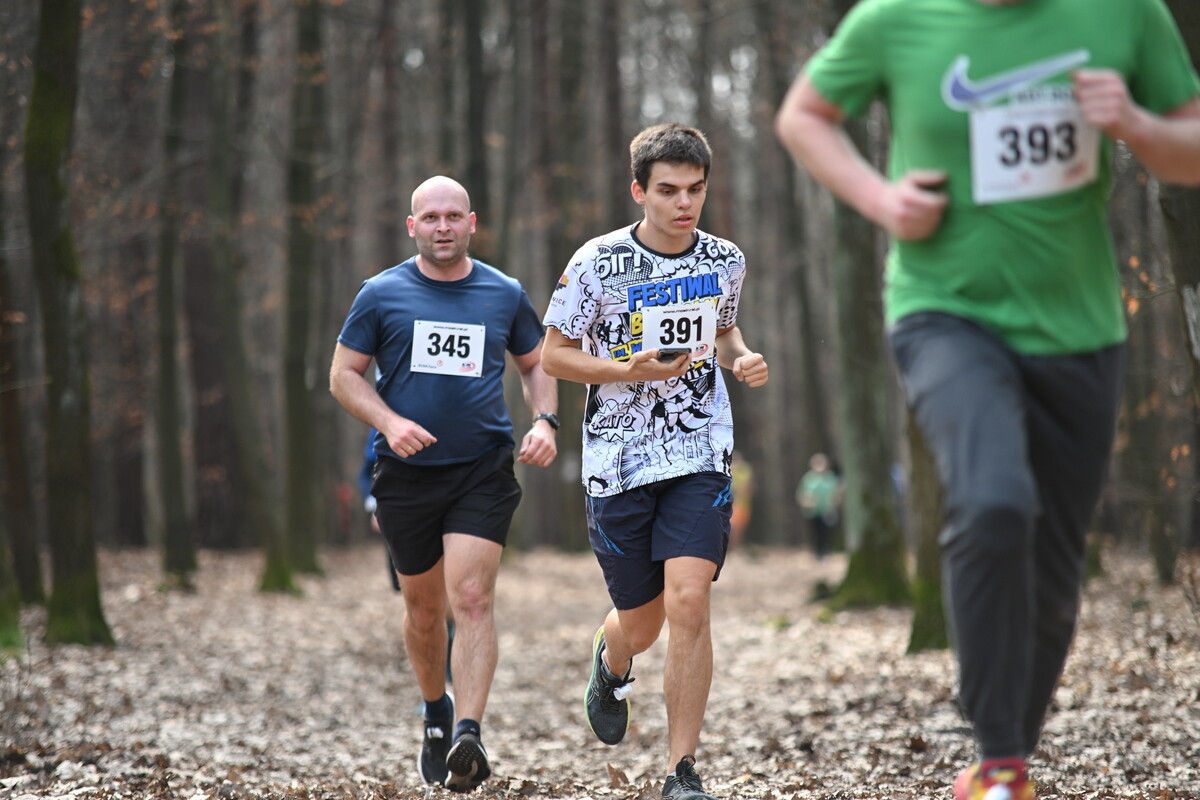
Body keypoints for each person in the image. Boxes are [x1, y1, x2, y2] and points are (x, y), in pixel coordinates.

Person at [774, 2, 1200, 799]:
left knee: (1056, 562)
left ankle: (1005, 761)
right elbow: (804, 116)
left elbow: (1192, 148)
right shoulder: (894, 19)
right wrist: (881, 201)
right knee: (994, 501)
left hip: (1080, 327)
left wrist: (1137, 126)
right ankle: (999, 757)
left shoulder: (1121, 14)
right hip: (945, 310)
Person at [541, 123, 769, 800]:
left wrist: (742, 356)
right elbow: (554, 354)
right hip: (619, 461)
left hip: (700, 450)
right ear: (638, 190)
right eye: (667, 190)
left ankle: (682, 773)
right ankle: (611, 664)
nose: (683, 203)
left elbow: (723, 328)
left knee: (690, 600)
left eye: (695, 190)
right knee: (642, 623)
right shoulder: (595, 263)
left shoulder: (724, 259)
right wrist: (623, 369)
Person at [329, 176, 559, 792]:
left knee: (473, 598)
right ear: (413, 227)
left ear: (472, 222)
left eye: (454, 216)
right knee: (424, 609)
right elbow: (344, 375)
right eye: (430, 217)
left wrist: (545, 420)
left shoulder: (503, 292)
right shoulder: (381, 294)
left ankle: (468, 732)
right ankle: (435, 711)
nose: (442, 226)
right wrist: (388, 420)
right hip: (405, 474)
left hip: (482, 468)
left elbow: (537, 364)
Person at [795, 452, 840, 560]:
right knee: (815, 533)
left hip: (826, 511)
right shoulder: (808, 479)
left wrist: (834, 503)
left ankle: (825, 552)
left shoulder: (830, 478)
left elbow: (836, 493)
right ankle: (816, 553)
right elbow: (801, 495)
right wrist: (807, 501)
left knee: (826, 532)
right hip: (812, 512)